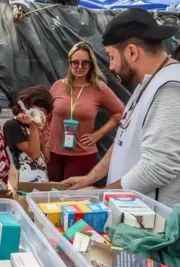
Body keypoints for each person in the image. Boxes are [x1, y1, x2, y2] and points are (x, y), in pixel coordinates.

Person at [62, 8, 180, 208]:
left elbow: (157, 167)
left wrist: (103, 194)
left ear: (132, 52)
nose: (111, 66)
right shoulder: (147, 83)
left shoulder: (170, 88)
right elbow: (122, 141)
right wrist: (89, 178)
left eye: (111, 56)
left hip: (154, 226)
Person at [46, 41, 124, 182]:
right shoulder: (58, 86)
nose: (80, 67)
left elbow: (120, 113)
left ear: (91, 65)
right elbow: (47, 114)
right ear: (69, 63)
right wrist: (45, 138)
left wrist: (97, 135)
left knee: (71, 197)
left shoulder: (99, 88)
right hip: (53, 152)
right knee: (50, 195)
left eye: (85, 63)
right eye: (75, 62)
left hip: (81, 154)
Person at [3, 86, 53, 182]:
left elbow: (46, 159)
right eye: (38, 113)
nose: (40, 117)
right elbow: (34, 154)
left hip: (42, 179)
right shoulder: (12, 125)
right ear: (27, 106)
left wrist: (43, 140)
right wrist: (33, 126)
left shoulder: (36, 127)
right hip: (24, 181)